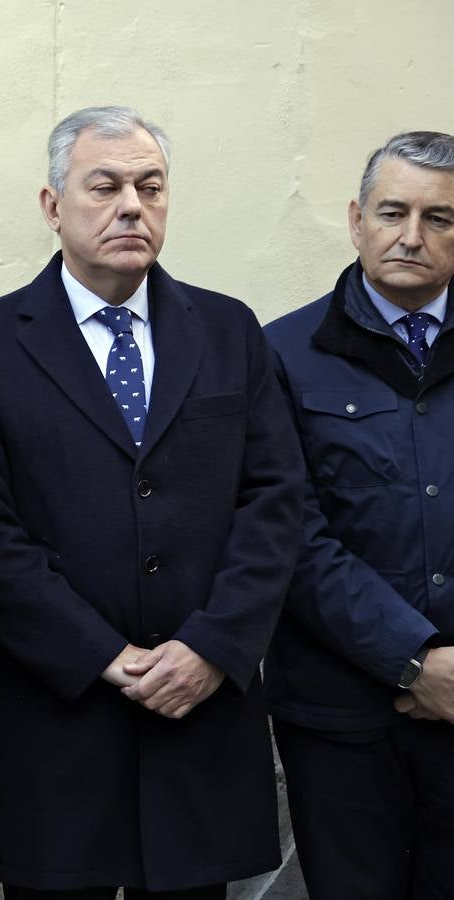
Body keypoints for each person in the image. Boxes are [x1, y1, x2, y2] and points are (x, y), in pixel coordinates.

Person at [0, 106, 305, 898]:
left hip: (198, 712)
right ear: (51, 205)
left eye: (149, 186)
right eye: (103, 186)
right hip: (62, 719)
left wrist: (212, 647)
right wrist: (101, 655)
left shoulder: (229, 330)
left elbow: (273, 502)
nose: (130, 205)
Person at [264, 130, 454, 899]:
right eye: (391, 211)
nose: (410, 236)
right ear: (354, 220)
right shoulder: (279, 353)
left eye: (438, 218)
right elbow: (290, 536)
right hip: (338, 715)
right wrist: (415, 659)